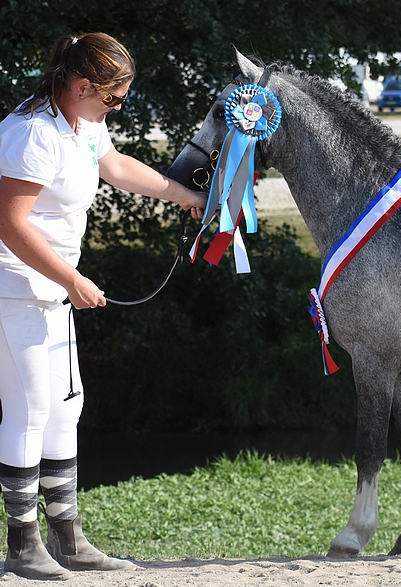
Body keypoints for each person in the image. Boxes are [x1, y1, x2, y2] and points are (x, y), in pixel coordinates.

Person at [0, 33, 206, 580]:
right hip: (14, 285)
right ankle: (22, 545)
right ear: (82, 85)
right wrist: (71, 278)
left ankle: (67, 538)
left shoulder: (85, 123)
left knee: (66, 407)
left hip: (49, 287)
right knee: (29, 409)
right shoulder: (31, 134)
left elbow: (113, 164)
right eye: (114, 99)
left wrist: (182, 194)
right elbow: (9, 223)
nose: (119, 107)